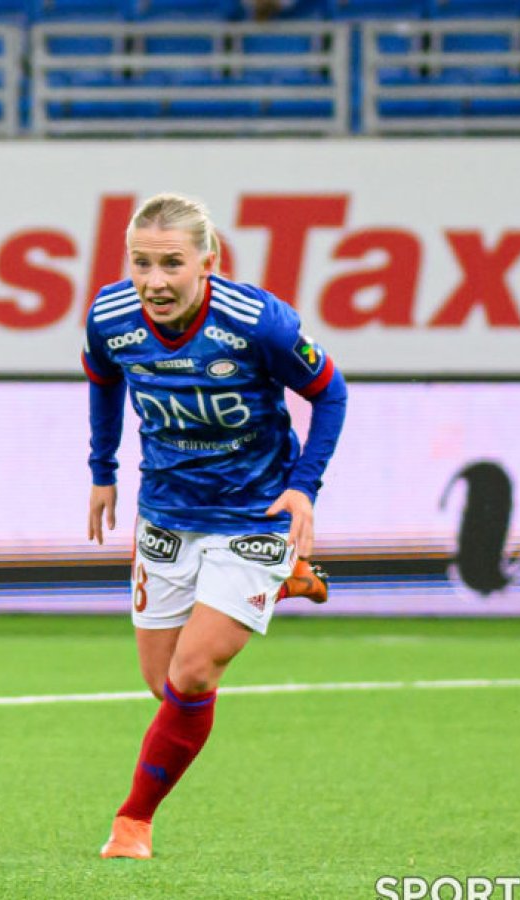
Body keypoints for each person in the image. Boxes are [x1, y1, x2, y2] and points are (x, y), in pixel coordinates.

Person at [83, 193, 347, 860]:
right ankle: (284, 584)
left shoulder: (261, 324)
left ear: (208, 261)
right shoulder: (110, 318)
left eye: (171, 263)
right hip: (167, 513)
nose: (154, 280)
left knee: (195, 676)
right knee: (164, 683)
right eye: (140, 263)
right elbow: (103, 378)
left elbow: (329, 392)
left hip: (252, 514)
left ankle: (132, 823)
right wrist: (102, 468)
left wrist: (303, 489)